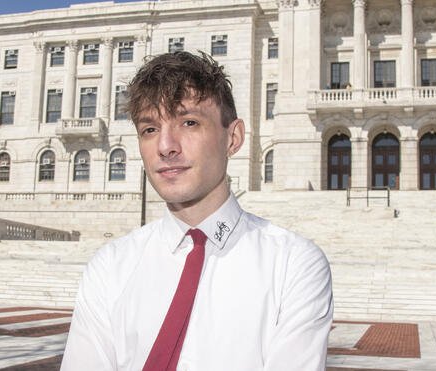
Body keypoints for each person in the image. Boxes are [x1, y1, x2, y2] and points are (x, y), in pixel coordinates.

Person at [61, 51, 333, 370]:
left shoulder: (293, 266)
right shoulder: (108, 268)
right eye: (149, 129)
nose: (165, 146)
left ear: (233, 138)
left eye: (189, 122)